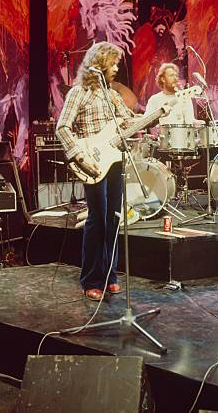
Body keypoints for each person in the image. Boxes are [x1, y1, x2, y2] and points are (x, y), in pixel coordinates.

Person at [56, 42, 167, 301]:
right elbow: (62, 127)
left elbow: (130, 122)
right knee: (98, 218)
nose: (117, 68)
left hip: (115, 161)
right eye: (114, 63)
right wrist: (79, 155)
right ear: (100, 63)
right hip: (91, 161)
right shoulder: (79, 92)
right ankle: (91, 278)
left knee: (115, 217)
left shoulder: (112, 94)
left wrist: (157, 115)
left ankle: (111, 274)